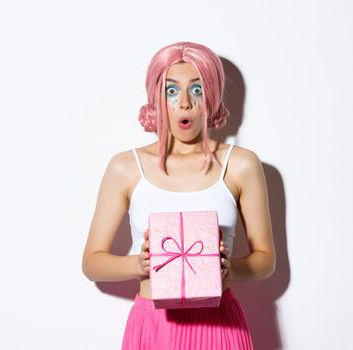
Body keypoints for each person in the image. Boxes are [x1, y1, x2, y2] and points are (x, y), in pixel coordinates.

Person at [82, 41, 275, 350]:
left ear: (211, 97)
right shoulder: (126, 167)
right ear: (156, 98)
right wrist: (139, 264)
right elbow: (92, 262)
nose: (184, 103)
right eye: (172, 91)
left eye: (197, 90)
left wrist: (229, 267)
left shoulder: (241, 165)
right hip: (154, 326)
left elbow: (265, 260)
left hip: (219, 324)